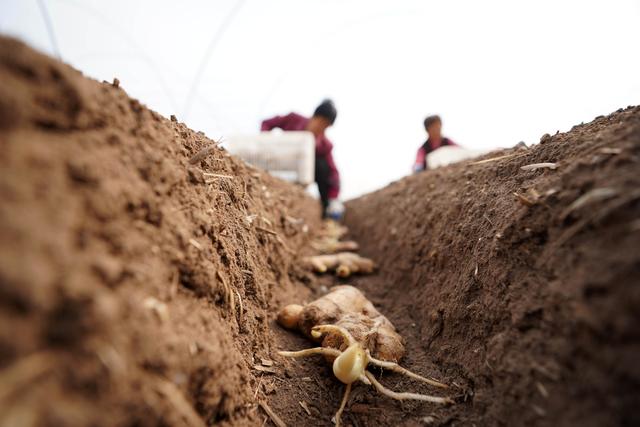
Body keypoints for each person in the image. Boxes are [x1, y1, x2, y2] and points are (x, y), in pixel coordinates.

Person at [261, 100, 344, 219]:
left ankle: (325, 213)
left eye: (326, 126)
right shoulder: (293, 119)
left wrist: (333, 198)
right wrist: (267, 141)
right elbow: (267, 123)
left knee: (322, 166)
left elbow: (333, 173)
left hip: (300, 175)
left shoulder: (324, 144)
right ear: (315, 116)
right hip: (280, 163)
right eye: (322, 123)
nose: (321, 128)